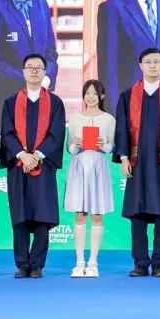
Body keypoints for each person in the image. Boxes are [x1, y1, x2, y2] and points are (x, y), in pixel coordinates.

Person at [113, 48, 160, 278]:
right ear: (141, 65)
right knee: (137, 214)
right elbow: (121, 129)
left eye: (156, 61)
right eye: (148, 62)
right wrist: (123, 157)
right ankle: (140, 262)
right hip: (136, 165)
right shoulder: (128, 96)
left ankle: (158, 263)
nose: (152, 65)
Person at [1, 53, 66, 279]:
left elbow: (57, 133)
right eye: (30, 67)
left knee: (42, 214)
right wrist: (22, 155)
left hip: (43, 166)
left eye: (39, 67)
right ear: (23, 72)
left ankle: (37, 264)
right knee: (20, 214)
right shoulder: (10, 102)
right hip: (18, 166)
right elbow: (7, 133)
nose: (34, 71)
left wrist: (36, 155)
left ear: (45, 72)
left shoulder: (55, 103)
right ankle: (22, 264)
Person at [64, 79, 117, 278]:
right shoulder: (75, 119)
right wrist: (76, 145)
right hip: (79, 166)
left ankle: (93, 262)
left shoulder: (108, 119)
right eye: (88, 93)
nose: (91, 97)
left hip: (98, 166)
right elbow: (69, 148)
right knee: (80, 214)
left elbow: (111, 147)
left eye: (95, 93)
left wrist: (104, 145)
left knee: (96, 215)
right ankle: (79, 262)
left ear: (101, 96)